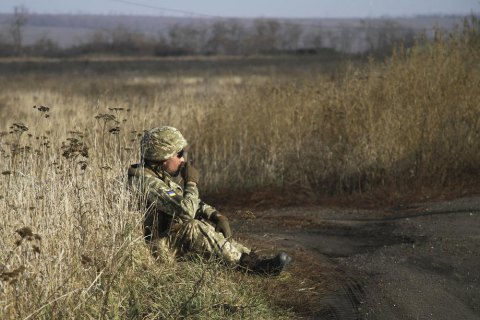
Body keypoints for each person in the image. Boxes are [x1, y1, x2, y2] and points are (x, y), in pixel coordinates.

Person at [127, 126, 291, 276]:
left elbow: (188, 201)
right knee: (192, 226)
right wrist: (191, 182)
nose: (183, 159)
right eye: (179, 154)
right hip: (154, 249)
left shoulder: (159, 177)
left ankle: (252, 259)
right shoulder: (145, 182)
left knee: (205, 224)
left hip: (165, 240)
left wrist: (215, 215)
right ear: (164, 157)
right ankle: (250, 267)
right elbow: (186, 211)